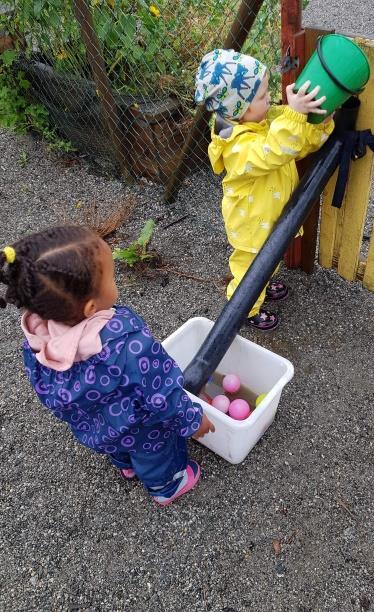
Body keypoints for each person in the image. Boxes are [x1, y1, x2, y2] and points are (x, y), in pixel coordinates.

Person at [0, 226, 214, 506]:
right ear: (89, 308)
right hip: (141, 427)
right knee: (156, 452)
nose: (117, 283)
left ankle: (126, 465)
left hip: (97, 426)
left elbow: (45, 389)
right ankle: (166, 486)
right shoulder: (126, 344)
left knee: (120, 447)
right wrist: (194, 421)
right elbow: (162, 394)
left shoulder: (37, 340)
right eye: (112, 277)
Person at [195, 49, 335, 330]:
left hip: (266, 216)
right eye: (261, 96)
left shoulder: (262, 120)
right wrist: (295, 116)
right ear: (239, 109)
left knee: (268, 261)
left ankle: (262, 285)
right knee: (249, 270)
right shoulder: (237, 146)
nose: (270, 97)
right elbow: (276, 149)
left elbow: (295, 141)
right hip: (250, 223)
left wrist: (320, 122)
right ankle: (245, 307)